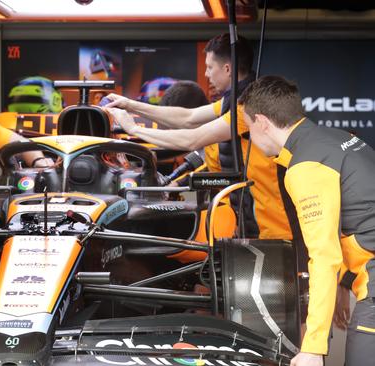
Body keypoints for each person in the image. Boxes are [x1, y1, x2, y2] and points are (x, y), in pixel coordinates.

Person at [239, 75, 375, 366]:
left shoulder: (306, 167)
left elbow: (324, 258)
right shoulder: (338, 138)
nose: (250, 137)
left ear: (261, 122)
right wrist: (346, 283)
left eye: (248, 127)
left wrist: (313, 346)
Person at [105, 33, 291, 240]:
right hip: (252, 221)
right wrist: (129, 104)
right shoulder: (237, 98)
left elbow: (192, 139)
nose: (206, 74)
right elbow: (188, 117)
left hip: (273, 227)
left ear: (227, 69)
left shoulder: (247, 108)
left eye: (210, 67)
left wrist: (134, 129)